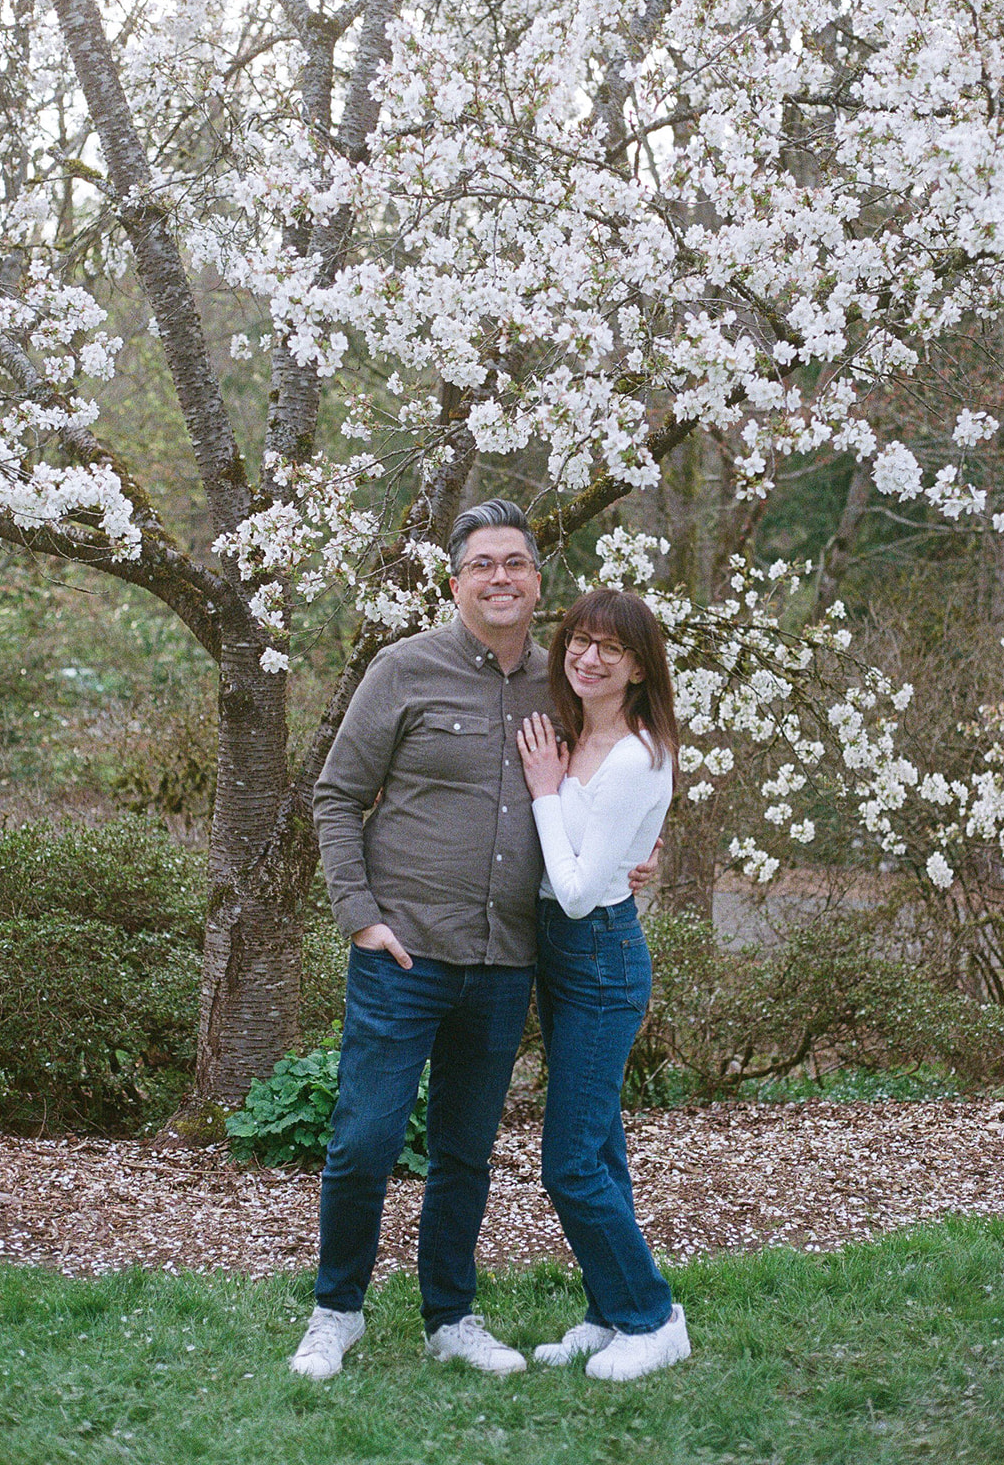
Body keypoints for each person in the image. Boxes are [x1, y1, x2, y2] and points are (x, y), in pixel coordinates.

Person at [290, 501, 655, 1380]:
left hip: (506, 960)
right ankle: (335, 1310)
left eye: (517, 564)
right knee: (365, 1138)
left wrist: (638, 854)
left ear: (537, 583)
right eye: (483, 563)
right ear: (455, 582)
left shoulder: (564, 683)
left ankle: (448, 1314)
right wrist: (360, 918)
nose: (501, 578)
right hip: (403, 952)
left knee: (464, 1150)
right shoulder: (402, 670)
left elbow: (617, 772)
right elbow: (336, 796)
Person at [516, 588, 691, 1381]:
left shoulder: (632, 755)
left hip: (598, 958)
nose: (587, 659)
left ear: (637, 666)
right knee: (602, 1146)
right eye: (578, 642)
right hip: (559, 954)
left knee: (571, 1162)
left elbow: (583, 889)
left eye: (608, 651)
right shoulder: (569, 734)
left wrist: (545, 794)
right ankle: (610, 1308)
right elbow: (596, 854)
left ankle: (653, 1320)